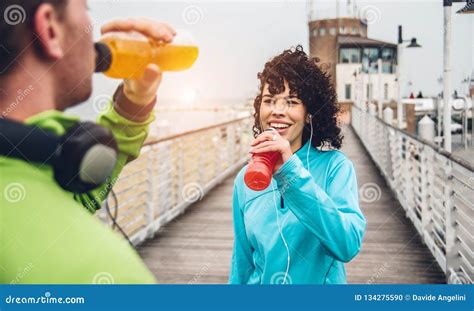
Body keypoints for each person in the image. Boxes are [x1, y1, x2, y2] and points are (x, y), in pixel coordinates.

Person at [0, 0, 176, 283]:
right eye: (86, 9)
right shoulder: (105, 273)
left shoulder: (20, 164)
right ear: (50, 29)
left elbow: (58, 202)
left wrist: (134, 100)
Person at [229, 46, 366, 284]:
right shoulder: (244, 179)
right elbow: (242, 263)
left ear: (309, 112)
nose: (277, 111)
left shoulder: (336, 168)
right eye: (269, 100)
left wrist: (290, 171)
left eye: (291, 102)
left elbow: (347, 245)